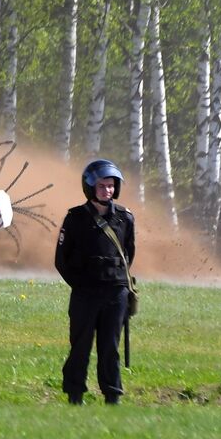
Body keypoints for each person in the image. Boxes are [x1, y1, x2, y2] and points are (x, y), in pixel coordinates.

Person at [54, 159, 135, 405]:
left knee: (110, 348)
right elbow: (61, 260)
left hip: (115, 293)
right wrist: (82, 285)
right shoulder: (75, 218)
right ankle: (75, 394)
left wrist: (115, 280)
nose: (107, 190)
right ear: (90, 188)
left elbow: (129, 253)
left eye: (111, 186)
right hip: (85, 294)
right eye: (101, 186)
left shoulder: (125, 218)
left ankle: (113, 395)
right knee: (80, 346)